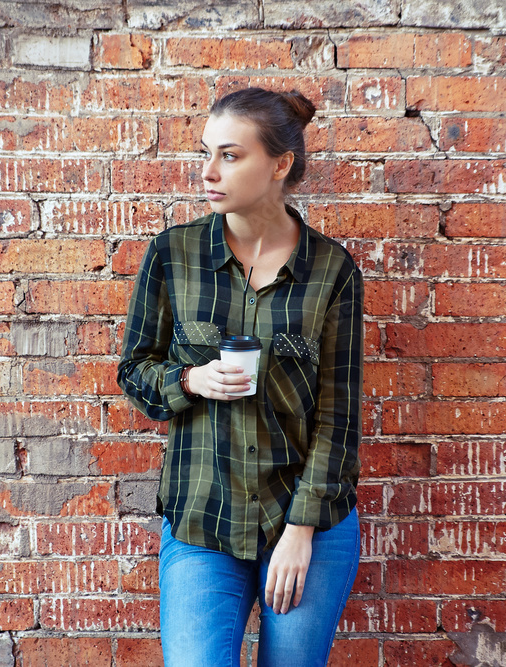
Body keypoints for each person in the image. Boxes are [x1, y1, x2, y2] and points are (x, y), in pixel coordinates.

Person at [117, 87, 364, 667]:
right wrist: (191, 381)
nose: (208, 172)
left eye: (230, 155)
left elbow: (339, 417)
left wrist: (301, 530)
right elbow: (134, 371)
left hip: (307, 522)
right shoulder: (173, 255)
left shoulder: (331, 270)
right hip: (205, 518)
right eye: (206, 153)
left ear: (279, 165)